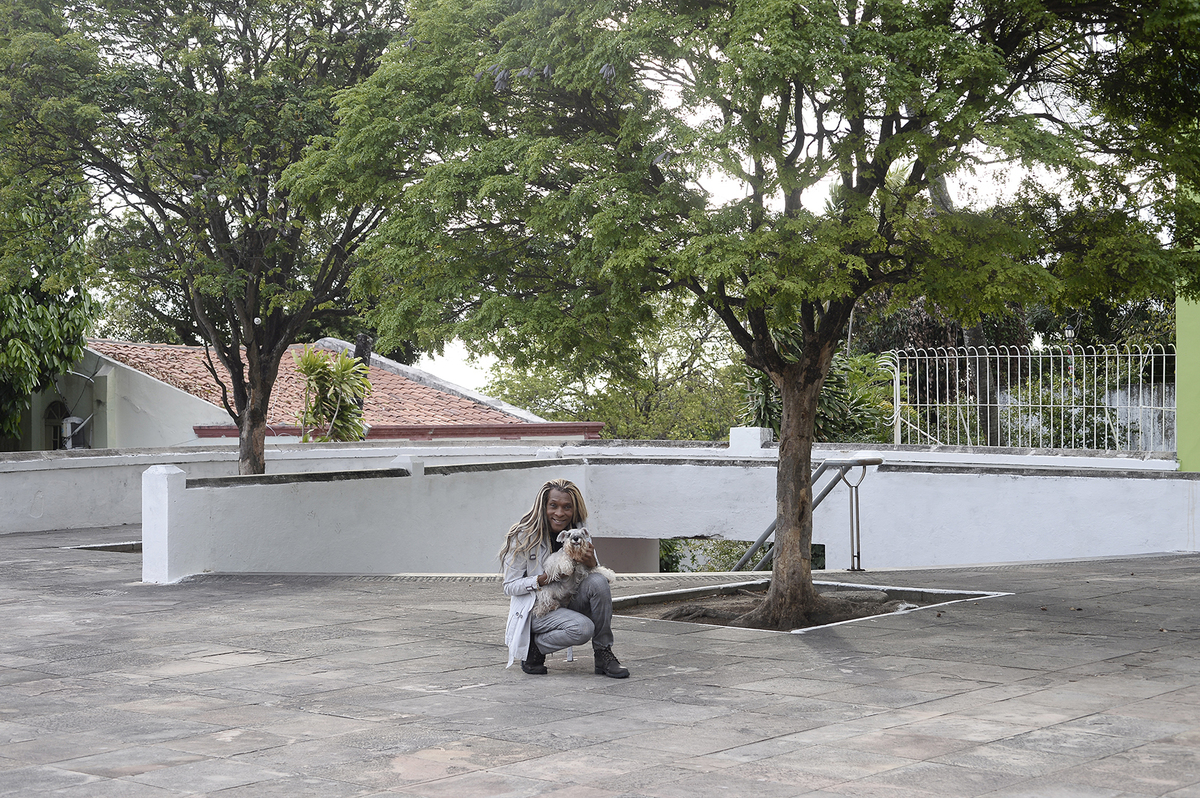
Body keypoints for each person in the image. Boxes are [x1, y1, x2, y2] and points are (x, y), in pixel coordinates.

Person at [500, 478, 630, 678]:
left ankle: (603, 653)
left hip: (569, 598)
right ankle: (535, 647)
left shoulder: (579, 531)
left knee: (599, 582)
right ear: (543, 506)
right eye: (553, 505)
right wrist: (543, 579)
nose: (560, 513)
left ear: (574, 509)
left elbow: (592, 571)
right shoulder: (524, 536)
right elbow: (509, 586)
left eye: (567, 507)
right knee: (583, 628)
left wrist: (592, 563)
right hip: (537, 609)